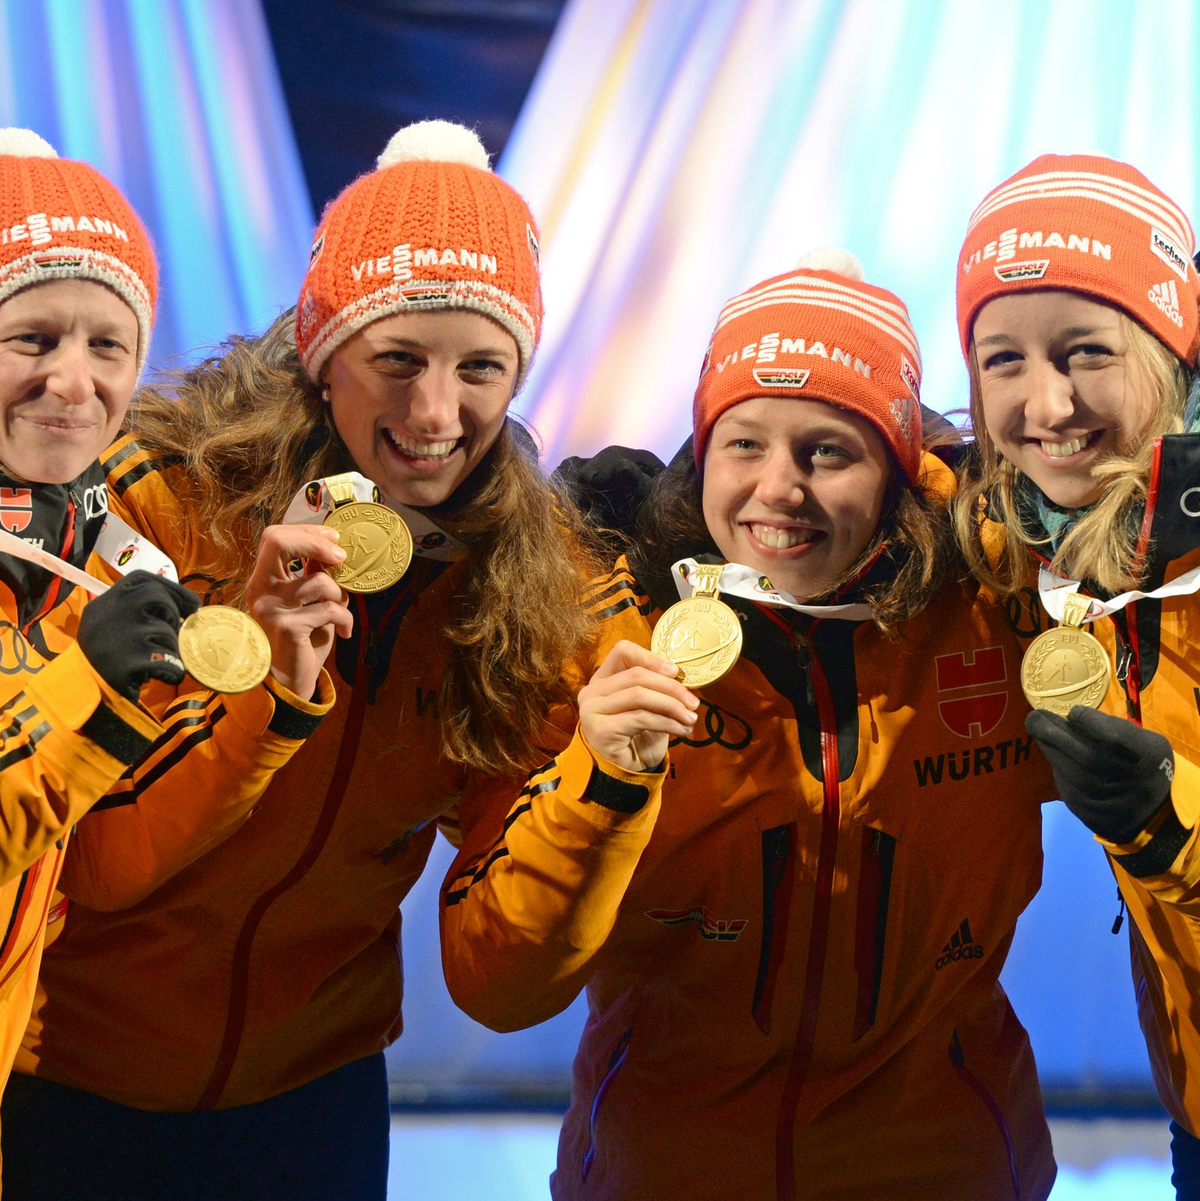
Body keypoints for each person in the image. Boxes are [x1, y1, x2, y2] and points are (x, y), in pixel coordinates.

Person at [2, 120, 603, 1201]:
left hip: (314, 1098)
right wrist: (271, 697)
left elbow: (506, 975)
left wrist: (615, 777)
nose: (434, 413)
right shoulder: (163, 497)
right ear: (323, 359)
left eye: (480, 367)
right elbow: (98, 862)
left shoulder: (528, 585)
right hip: (73, 1076)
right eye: (396, 359)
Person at [441, 251, 1058, 1200]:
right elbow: (498, 984)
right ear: (702, 451)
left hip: (943, 1164)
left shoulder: (997, 603)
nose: (779, 488)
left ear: (898, 469)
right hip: (663, 1172)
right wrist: (598, 780)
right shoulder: (605, 629)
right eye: (744, 444)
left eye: (828, 451)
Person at [0, 126, 341, 1133]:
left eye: (108, 345)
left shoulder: (89, 556)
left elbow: (104, 862)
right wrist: (86, 691)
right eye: (32, 339)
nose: (75, 383)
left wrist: (271, 692)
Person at [951, 153, 1200, 1199]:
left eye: (1086, 349)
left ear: (1172, 350)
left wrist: (1173, 822)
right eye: (1002, 359)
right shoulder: (1048, 535)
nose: (1045, 405)